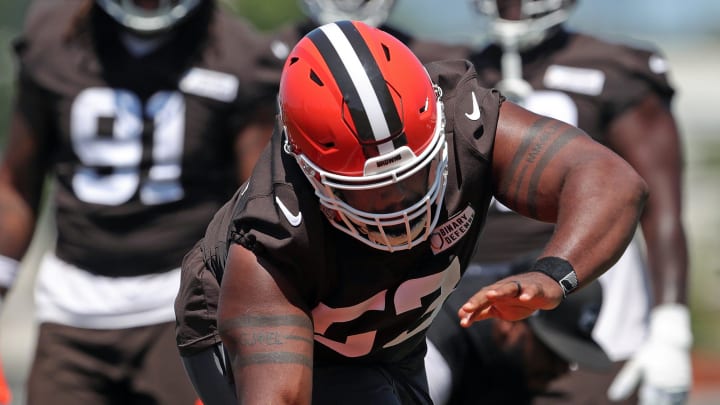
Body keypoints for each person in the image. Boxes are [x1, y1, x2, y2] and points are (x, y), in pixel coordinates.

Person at [174, 20, 648, 405]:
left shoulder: (468, 124)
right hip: (291, 337)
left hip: (391, 340)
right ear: (310, 172)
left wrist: (553, 273)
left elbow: (609, 179)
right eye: (372, 192)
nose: (400, 203)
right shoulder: (273, 239)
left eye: (415, 175)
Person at [0, 0, 278, 403]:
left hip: (182, 307)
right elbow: (17, 185)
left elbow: (255, 206)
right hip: (72, 306)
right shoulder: (53, 36)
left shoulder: (235, 52)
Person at [440, 0, 690, 404]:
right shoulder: (449, 68)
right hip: (468, 299)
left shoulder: (616, 69)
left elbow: (660, 207)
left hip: (583, 297)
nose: (514, 7)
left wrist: (671, 326)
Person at [427, 274, 610, 405]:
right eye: (551, 352)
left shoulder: (510, 372)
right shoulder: (432, 356)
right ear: (509, 320)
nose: (562, 369)